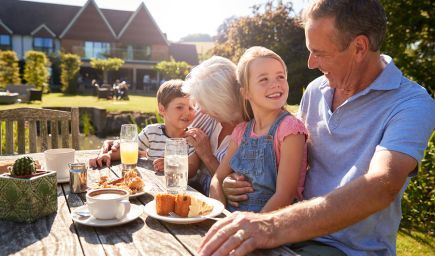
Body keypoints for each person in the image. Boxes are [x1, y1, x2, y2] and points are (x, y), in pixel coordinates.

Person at [198, 0, 435, 255]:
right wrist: (235, 178)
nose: (311, 63)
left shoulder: (411, 103)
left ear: (359, 47)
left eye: (320, 52)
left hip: (342, 248)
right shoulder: (315, 91)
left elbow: (382, 184)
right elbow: (277, 146)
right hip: (289, 233)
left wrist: (270, 225)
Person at [209, 46, 307, 213]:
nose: (275, 84)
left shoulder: (290, 130)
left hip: (270, 227)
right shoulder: (241, 132)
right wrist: (219, 215)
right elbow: (217, 179)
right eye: (264, 79)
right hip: (233, 219)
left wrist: (250, 228)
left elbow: (285, 195)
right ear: (246, 92)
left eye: (280, 77)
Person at [90, 79, 197, 175]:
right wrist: (108, 155)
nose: (187, 112)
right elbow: (130, 149)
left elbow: (192, 168)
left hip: (180, 190)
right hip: (154, 185)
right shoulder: (151, 132)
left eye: (191, 108)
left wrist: (171, 165)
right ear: (162, 109)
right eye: (179, 107)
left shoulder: (192, 138)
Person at [182, 56, 244, 195]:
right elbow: (175, 142)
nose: (201, 109)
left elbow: (236, 189)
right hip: (194, 192)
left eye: (206, 104)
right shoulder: (204, 115)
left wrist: (207, 155)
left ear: (224, 102)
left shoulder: (250, 131)